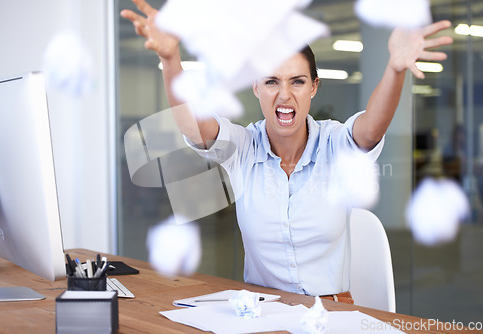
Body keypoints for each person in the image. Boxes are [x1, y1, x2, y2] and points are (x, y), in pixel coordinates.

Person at [121, 0, 453, 304]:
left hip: (331, 313)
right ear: (256, 87)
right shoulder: (245, 148)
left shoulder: (333, 143)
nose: (284, 95)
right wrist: (170, 60)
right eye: (271, 82)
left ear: (314, 87)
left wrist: (395, 69)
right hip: (260, 312)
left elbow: (370, 129)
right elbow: (196, 127)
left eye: (297, 81)